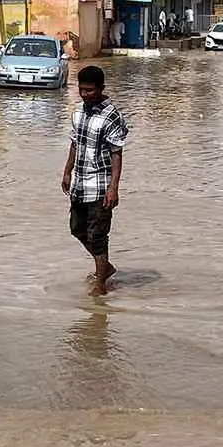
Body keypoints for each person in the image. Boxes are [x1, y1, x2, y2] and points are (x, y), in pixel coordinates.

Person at [61, 65, 129, 291]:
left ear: (101, 89)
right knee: (76, 228)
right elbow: (74, 142)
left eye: (90, 90)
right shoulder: (78, 112)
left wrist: (113, 188)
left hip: (100, 185)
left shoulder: (111, 116)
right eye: (82, 89)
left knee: (98, 235)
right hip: (80, 183)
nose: (85, 94)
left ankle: (100, 284)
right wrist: (67, 171)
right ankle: (105, 267)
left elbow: (116, 153)